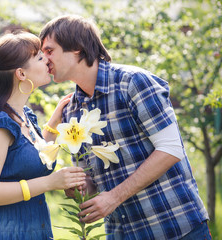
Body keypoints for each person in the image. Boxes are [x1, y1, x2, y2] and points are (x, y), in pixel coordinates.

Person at [40, 15, 210, 240]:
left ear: (77, 48)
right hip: (124, 234)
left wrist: (113, 197)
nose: (45, 60)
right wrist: (79, 188)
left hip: (177, 228)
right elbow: (91, 180)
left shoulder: (134, 82)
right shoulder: (71, 111)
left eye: (49, 51)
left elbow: (171, 149)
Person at [0, 31, 86, 240]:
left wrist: (54, 122)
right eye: (39, 57)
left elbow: (34, 161)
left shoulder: (23, 116)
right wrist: (51, 183)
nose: (48, 60)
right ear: (21, 74)